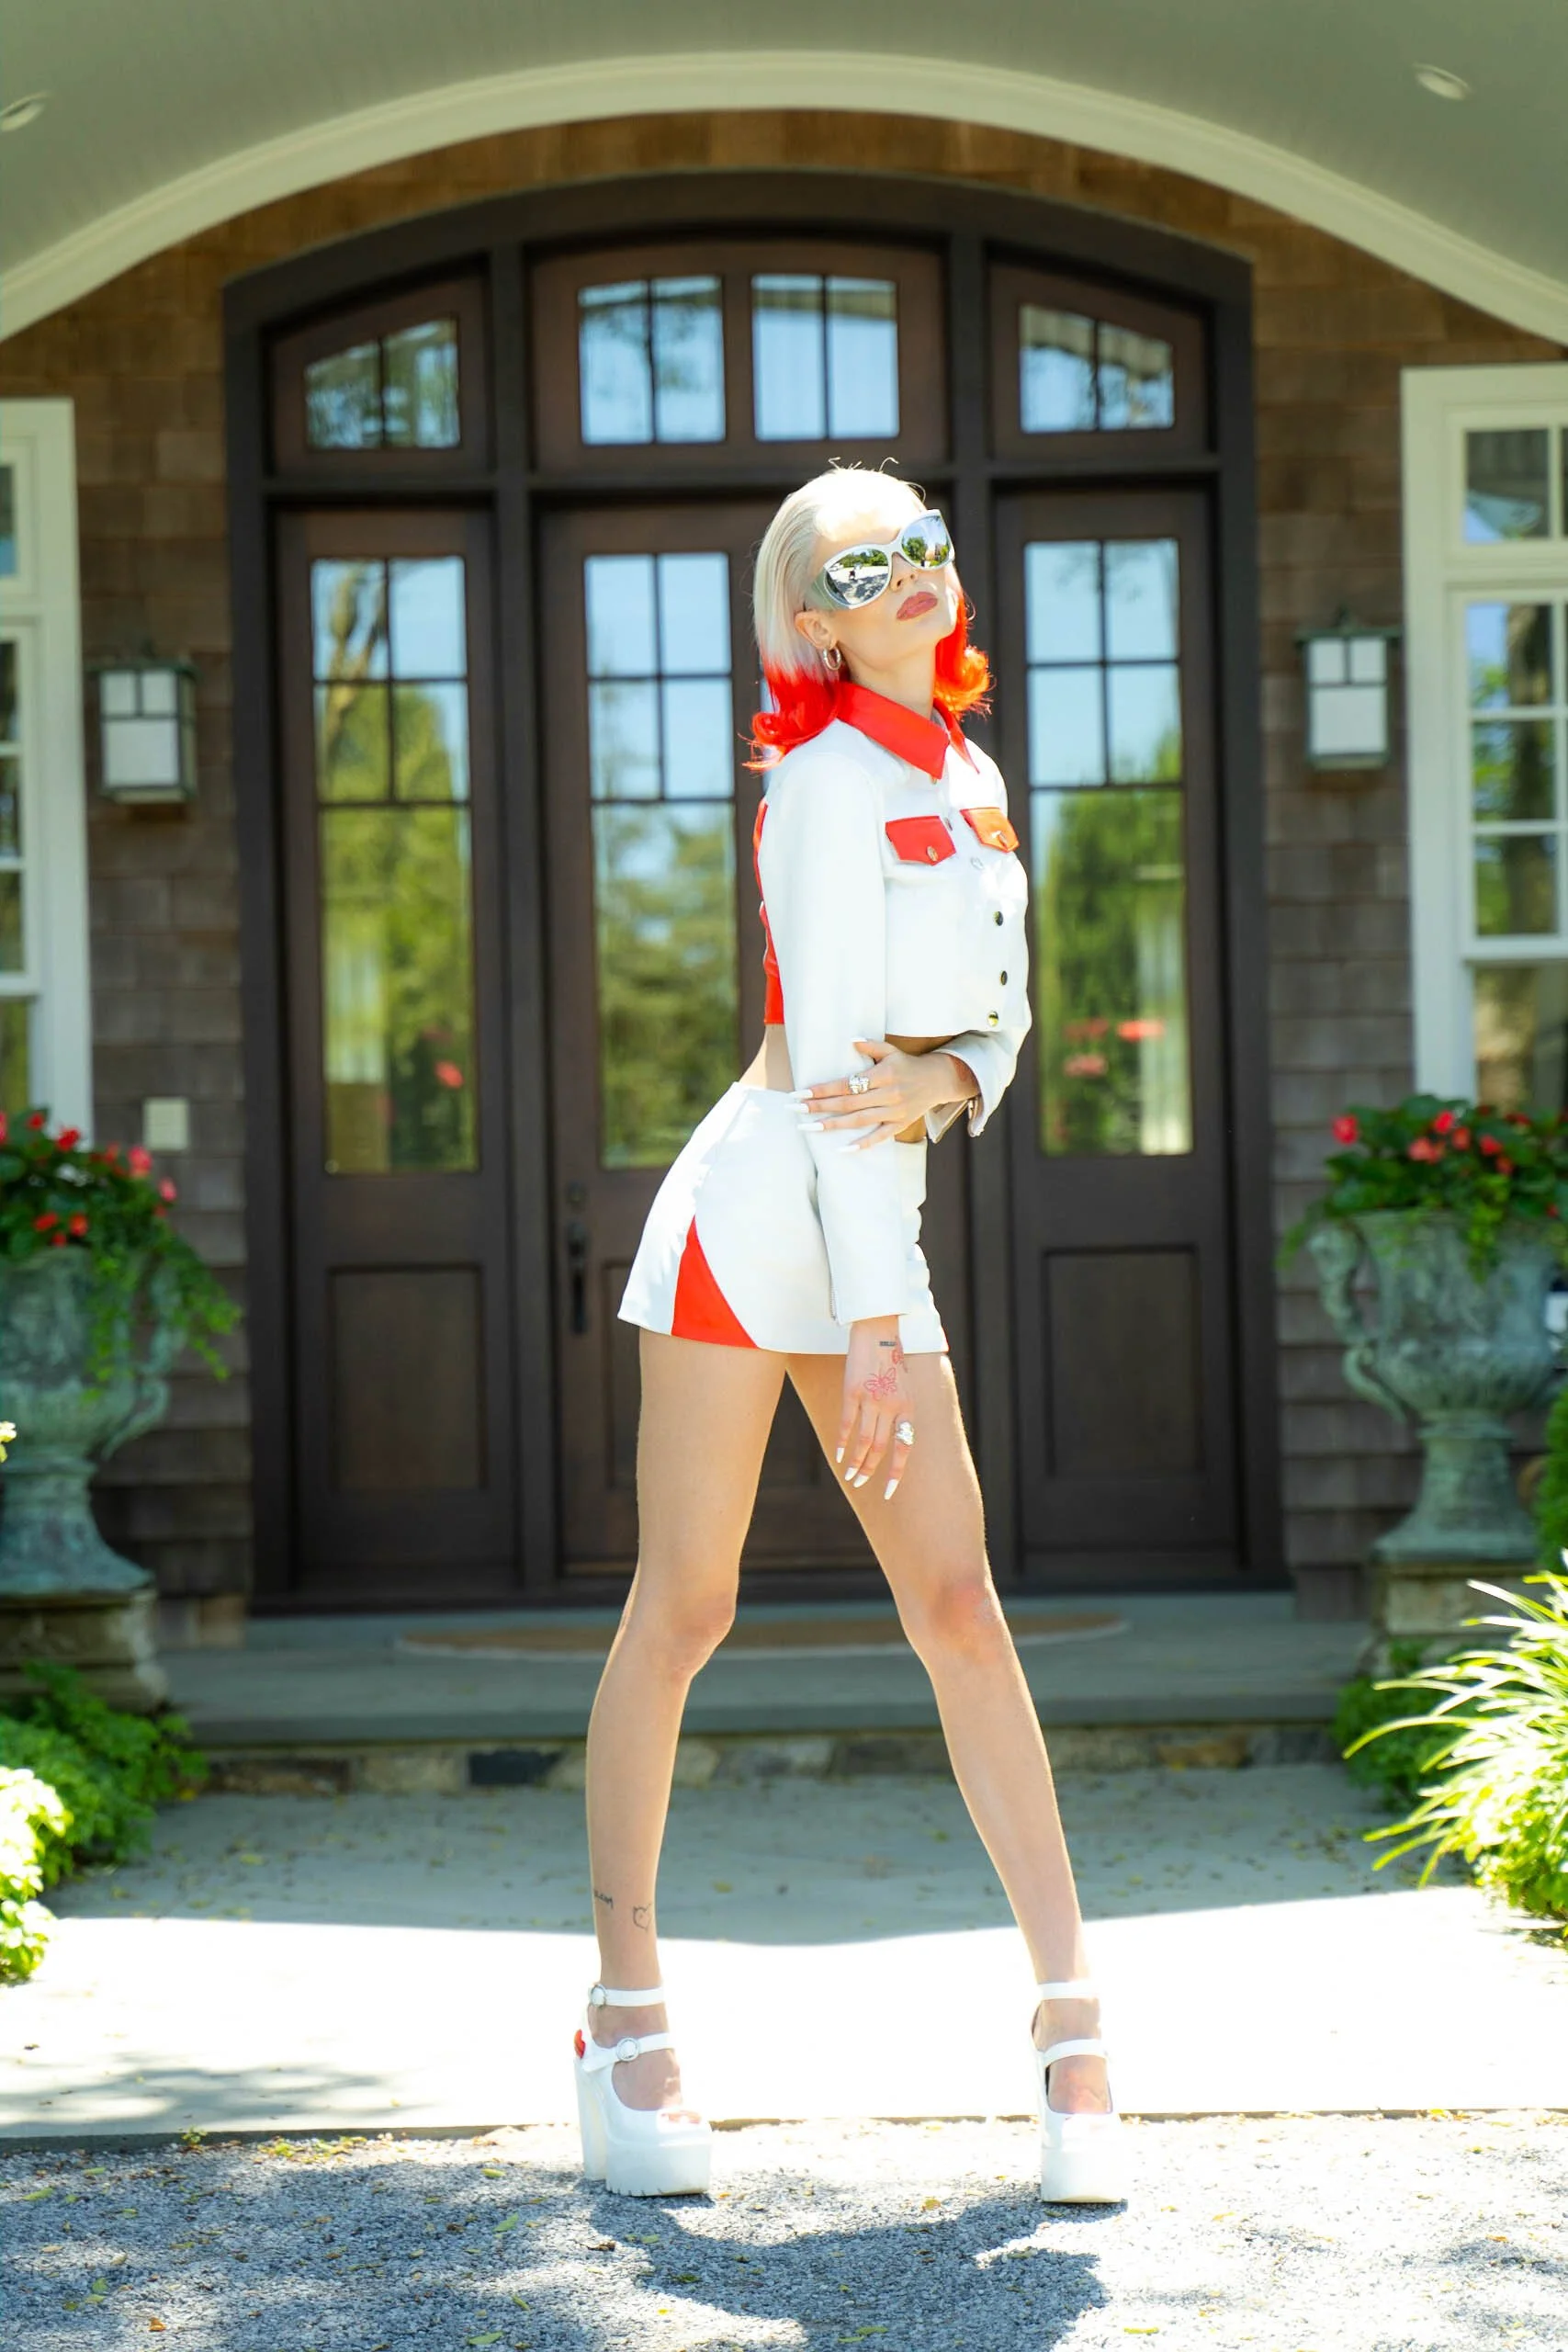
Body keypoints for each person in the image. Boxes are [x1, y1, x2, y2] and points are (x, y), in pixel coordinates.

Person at [571, 465, 1126, 2207]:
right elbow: (823, 1082)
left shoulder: (966, 778)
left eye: (923, 545)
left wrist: (961, 1073)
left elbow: (1005, 1013)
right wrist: (876, 1328)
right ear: (809, 616)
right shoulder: (816, 783)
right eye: (855, 564)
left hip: (872, 1225)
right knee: (690, 1602)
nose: (904, 575)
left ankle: (1070, 2022)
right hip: (762, 1222)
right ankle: (622, 2006)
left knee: (958, 1603)